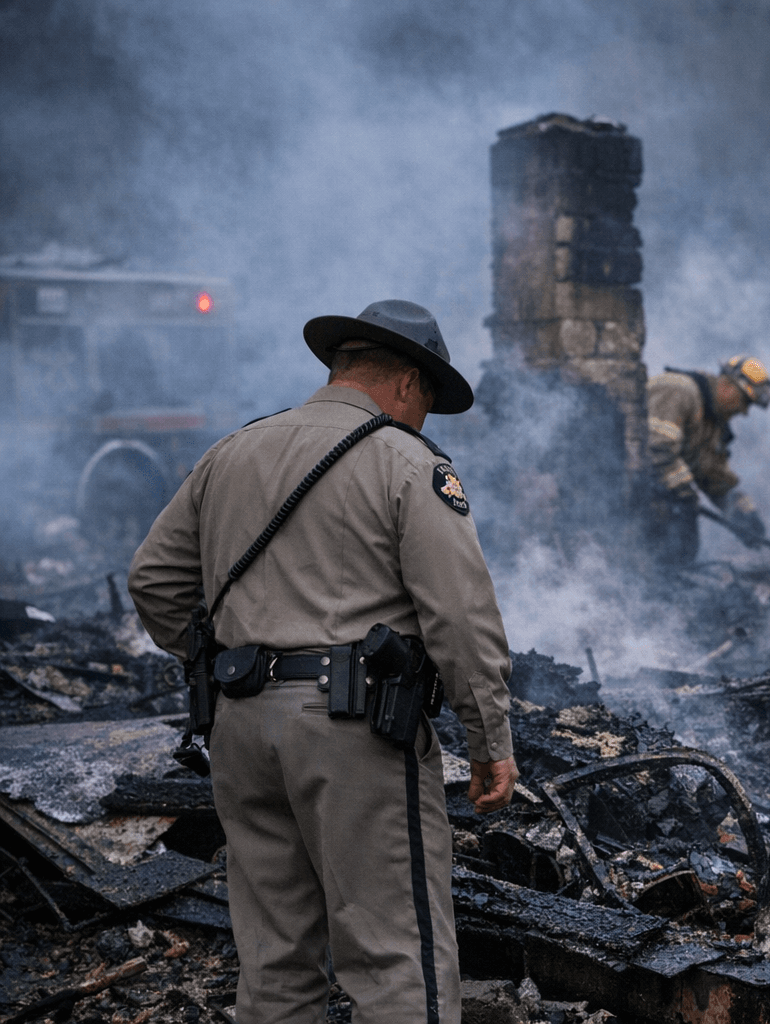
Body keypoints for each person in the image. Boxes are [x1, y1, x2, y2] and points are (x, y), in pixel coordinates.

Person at [129, 299, 517, 1024]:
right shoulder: (407, 461)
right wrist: (490, 738)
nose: (425, 418)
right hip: (354, 732)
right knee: (396, 957)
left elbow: (153, 583)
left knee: (274, 963)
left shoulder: (232, 450)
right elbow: (459, 618)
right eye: (429, 401)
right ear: (408, 383)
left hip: (239, 729)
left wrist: (221, 662)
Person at [645, 354, 770, 563]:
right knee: (674, 525)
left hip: (652, 491)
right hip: (618, 484)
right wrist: (686, 494)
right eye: (745, 402)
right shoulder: (679, 390)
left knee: (683, 540)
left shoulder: (711, 422)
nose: (744, 411)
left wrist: (742, 512)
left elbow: (712, 474)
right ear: (726, 386)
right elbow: (656, 450)